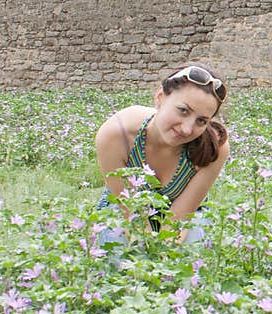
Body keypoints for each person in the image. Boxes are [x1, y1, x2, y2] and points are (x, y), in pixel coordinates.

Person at [94, 63, 230, 244]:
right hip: (127, 211)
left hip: (185, 218)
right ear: (160, 97)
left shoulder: (215, 147)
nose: (187, 129)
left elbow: (179, 219)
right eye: (183, 110)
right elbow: (130, 213)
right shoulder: (116, 133)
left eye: (201, 121)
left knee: (192, 261)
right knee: (117, 262)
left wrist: (165, 258)